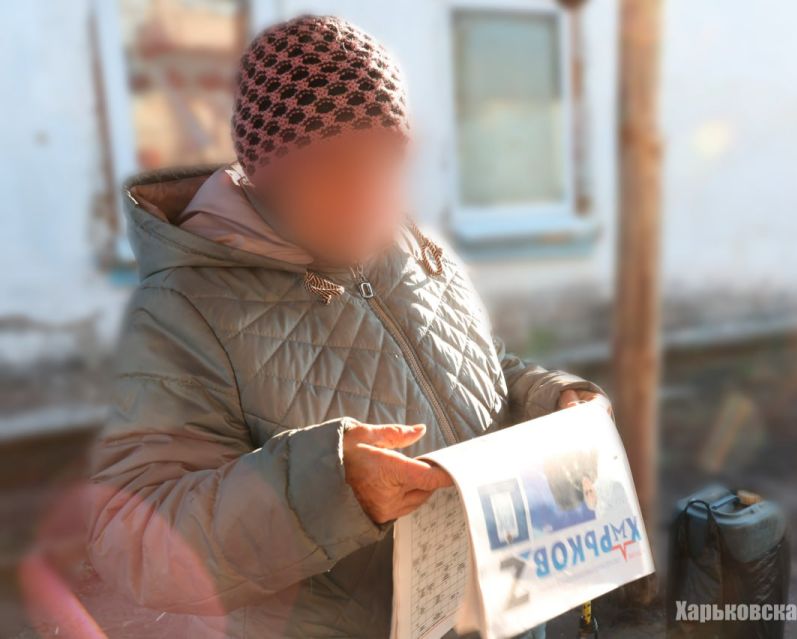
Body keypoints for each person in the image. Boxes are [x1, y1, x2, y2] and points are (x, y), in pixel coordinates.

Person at [86, 15, 607, 638]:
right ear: (265, 176)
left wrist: (551, 400)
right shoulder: (183, 306)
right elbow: (132, 541)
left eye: (386, 159)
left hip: (499, 612)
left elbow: (477, 368)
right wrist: (330, 491)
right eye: (333, 167)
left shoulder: (410, 246)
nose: (370, 193)